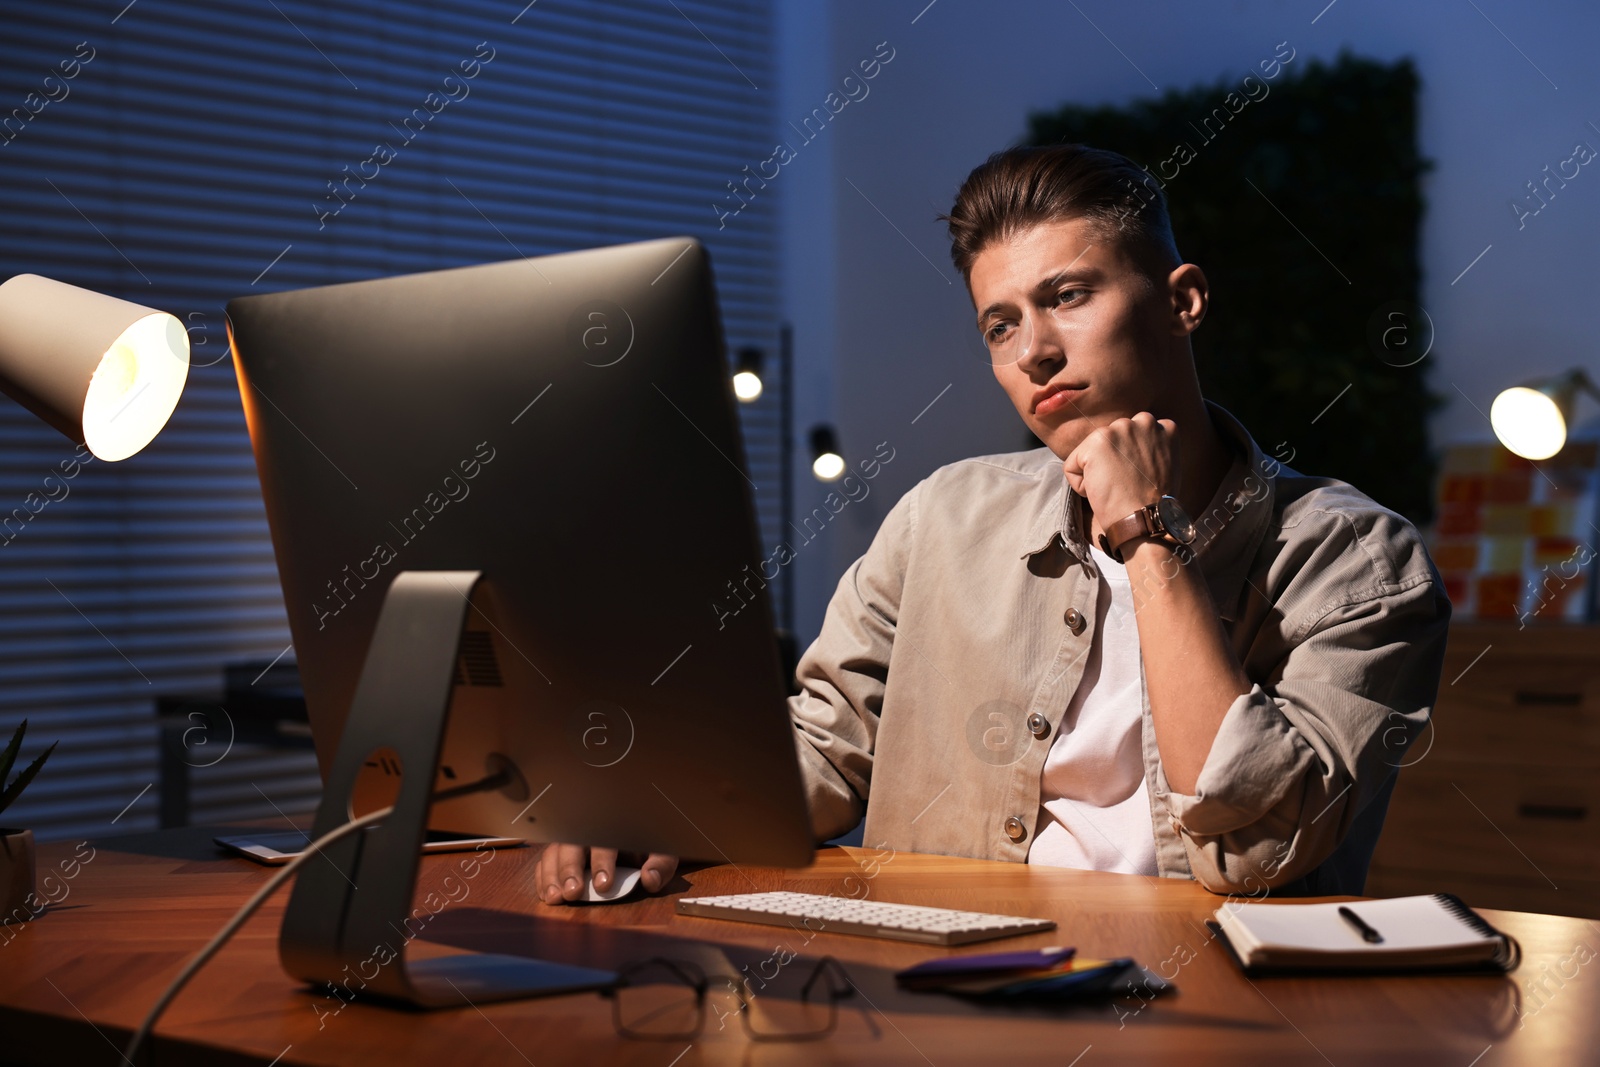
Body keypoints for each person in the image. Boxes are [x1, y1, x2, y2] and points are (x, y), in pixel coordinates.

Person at [535, 143, 1451, 904]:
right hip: (933, 990)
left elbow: (1262, 840)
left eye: (1069, 296)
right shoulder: (942, 515)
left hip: (1204, 1005)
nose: (1035, 353)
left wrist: (1144, 531)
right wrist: (640, 802)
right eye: (999, 326)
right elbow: (823, 750)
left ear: (1183, 302)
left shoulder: (1360, 560)